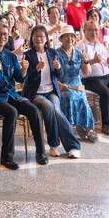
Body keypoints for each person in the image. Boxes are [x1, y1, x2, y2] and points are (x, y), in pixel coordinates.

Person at [0, 23, 47, 168]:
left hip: (11, 94)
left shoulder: (10, 56)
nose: (2, 37)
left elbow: (19, 79)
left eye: (5, 34)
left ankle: (41, 152)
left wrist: (24, 70)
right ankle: (7, 157)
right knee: (12, 112)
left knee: (33, 110)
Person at [23, 26, 81, 159]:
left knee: (56, 110)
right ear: (32, 38)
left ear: (46, 39)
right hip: (35, 93)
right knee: (49, 107)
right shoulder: (28, 55)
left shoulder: (52, 53)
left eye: (42, 36)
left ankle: (73, 146)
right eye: (36, 36)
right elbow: (26, 79)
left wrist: (58, 67)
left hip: (51, 91)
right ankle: (54, 144)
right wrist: (36, 70)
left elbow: (60, 76)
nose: (39, 39)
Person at [55, 27, 98, 142]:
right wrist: (60, 84)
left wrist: (86, 61)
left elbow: (86, 72)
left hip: (77, 83)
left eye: (72, 36)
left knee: (83, 99)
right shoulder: (56, 53)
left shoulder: (79, 53)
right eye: (66, 36)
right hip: (62, 84)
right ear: (61, 39)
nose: (70, 38)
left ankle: (87, 128)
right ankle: (69, 128)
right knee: (69, 97)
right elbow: (53, 75)